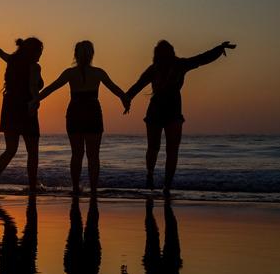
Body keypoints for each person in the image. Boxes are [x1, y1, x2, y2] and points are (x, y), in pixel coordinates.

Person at [124, 40, 236, 197]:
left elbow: (137, 86)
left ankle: (150, 174)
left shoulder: (154, 68)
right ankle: (166, 186)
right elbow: (201, 59)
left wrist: (127, 99)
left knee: (153, 147)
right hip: (171, 111)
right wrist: (219, 49)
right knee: (171, 150)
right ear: (172, 52)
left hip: (157, 111)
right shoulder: (179, 64)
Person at [32, 41, 129, 196]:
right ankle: (94, 190)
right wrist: (126, 100)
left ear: (75, 55)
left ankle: (76, 188)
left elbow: (51, 88)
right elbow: (115, 89)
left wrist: (35, 101)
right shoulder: (98, 72)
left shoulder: (70, 73)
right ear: (91, 55)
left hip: (75, 112)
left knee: (77, 154)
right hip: (92, 113)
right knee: (93, 155)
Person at [0, 33, 44, 195]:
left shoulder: (12, 61)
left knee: (10, 149)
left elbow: (0, 53)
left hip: (9, 108)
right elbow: (33, 87)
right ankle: (32, 186)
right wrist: (34, 102)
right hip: (25, 108)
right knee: (33, 152)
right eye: (40, 51)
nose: (41, 54)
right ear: (33, 52)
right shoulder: (34, 66)